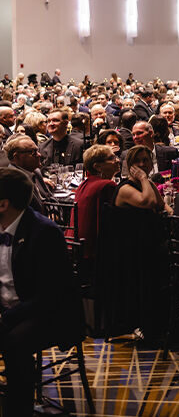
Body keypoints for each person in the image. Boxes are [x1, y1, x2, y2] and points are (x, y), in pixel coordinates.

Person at [0, 168, 83, 416]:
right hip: (10, 309)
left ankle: (19, 408)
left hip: (49, 313)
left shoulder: (43, 233)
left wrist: (6, 317)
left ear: (3, 204)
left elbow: (50, 295)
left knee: (14, 341)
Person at [74, 144, 119, 261]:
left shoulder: (83, 184)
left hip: (76, 247)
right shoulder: (107, 185)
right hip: (94, 252)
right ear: (98, 167)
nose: (117, 160)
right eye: (111, 158)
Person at [4, 135, 54, 212]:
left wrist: (55, 212)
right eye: (33, 152)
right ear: (17, 157)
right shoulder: (13, 181)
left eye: (37, 151)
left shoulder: (36, 171)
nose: (39, 155)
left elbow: (49, 197)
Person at [116, 146, 169, 211]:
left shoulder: (148, 183)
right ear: (130, 165)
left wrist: (171, 212)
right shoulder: (125, 189)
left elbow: (162, 205)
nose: (142, 164)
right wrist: (143, 177)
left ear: (151, 164)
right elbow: (150, 202)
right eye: (137, 161)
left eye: (145, 160)